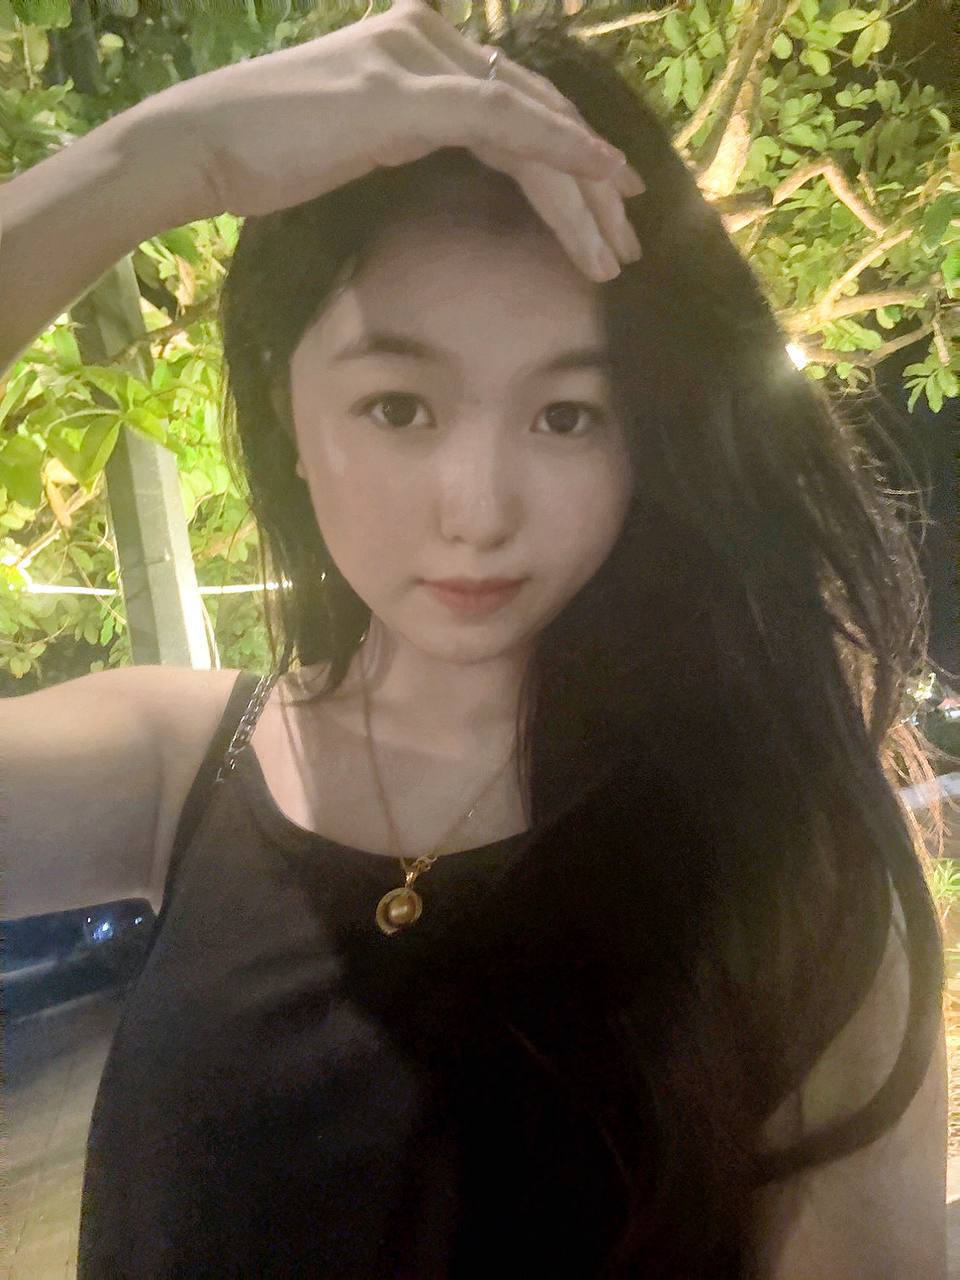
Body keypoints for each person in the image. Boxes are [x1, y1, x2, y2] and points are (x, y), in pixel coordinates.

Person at [0, 1, 949, 1275]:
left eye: (567, 415)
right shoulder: (183, 765)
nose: (480, 509)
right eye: (399, 405)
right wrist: (160, 161)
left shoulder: (778, 858)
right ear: (287, 411)